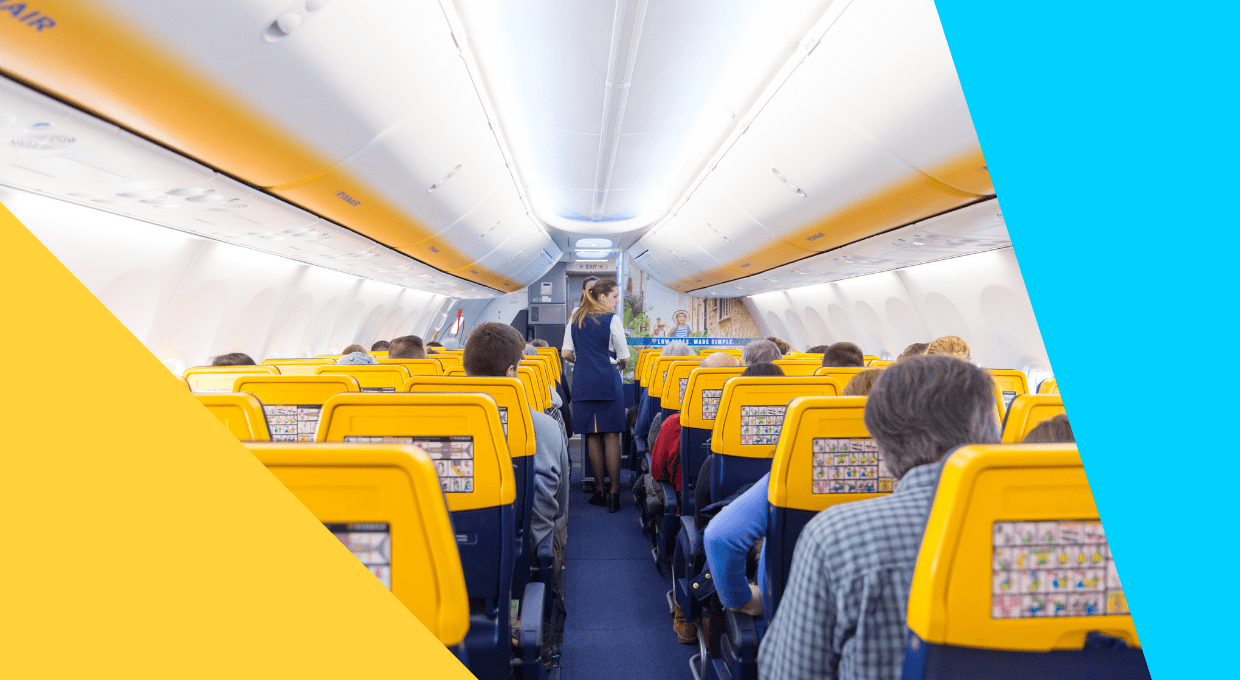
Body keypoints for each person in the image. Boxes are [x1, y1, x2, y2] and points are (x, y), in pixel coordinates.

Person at [758, 355, 1000, 680]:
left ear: (882, 450)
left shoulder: (837, 536)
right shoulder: (1064, 527)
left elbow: (789, 673)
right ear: (990, 430)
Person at [463, 324, 569, 571]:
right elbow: (560, 503)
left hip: (447, 547)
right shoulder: (544, 426)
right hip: (523, 550)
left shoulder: (436, 422)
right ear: (511, 372)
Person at [562, 279, 630, 513]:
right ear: (602, 297)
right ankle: (614, 493)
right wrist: (619, 363)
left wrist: (583, 361)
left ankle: (600, 490)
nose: (616, 301)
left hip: (583, 379)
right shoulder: (612, 319)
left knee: (591, 435)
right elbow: (624, 355)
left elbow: (566, 353)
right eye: (614, 296)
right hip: (607, 378)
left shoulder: (575, 317)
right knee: (611, 434)